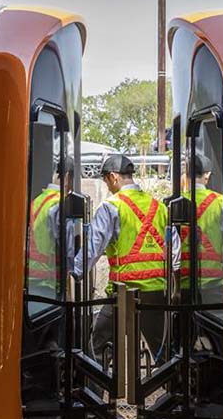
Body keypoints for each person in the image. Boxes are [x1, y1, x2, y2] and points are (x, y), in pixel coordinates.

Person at [74, 154, 179, 361]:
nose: (107, 187)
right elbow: (174, 251)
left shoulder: (111, 206)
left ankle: (98, 381)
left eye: (106, 181)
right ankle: (174, 381)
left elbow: (93, 248)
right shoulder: (159, 207)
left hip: (122, 293)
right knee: (164, 354)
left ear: (113, 177)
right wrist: (175, 288)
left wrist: (75, 273)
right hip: (156, 291)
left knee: (97, 349)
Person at [27, 157, 75, 312]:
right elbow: (68, 249)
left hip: (30, 278)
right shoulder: (59, 204)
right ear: (67, 177)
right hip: (49, 281)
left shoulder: (37, 201)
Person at [180, 153, 223, 305]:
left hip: (182, 282)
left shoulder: (175, 204)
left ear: (186, 175)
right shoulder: (221, 202)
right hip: (214, 281)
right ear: (207, 175)